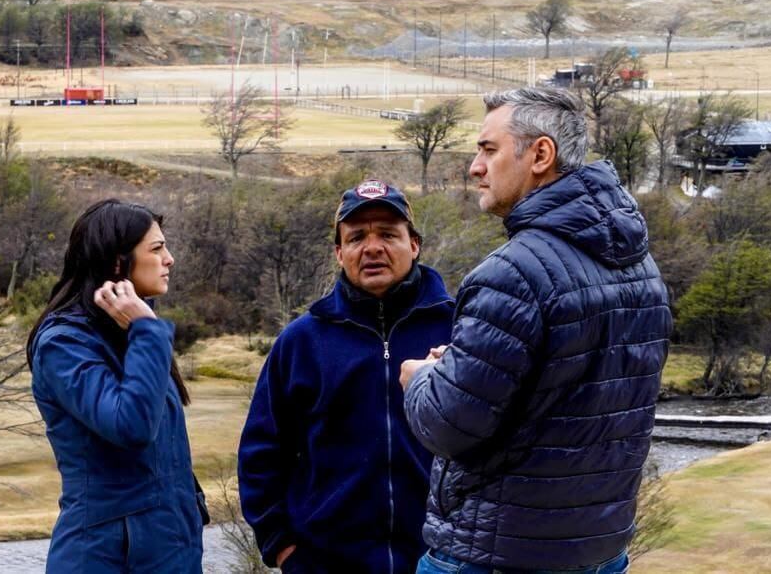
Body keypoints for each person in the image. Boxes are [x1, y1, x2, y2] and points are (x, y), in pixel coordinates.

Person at [401, 88, 672, 574]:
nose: (475, 166)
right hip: (600, 552)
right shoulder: (641, 267)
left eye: (488, 149)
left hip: (497, 554)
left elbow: (448, 424)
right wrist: (462, 369)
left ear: (540, 155)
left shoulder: (514, 273)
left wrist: (421, 378)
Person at [238, 180, 455, 574]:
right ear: (340, 253)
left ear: (414, 245)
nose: (372, 248)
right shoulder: (301, 342)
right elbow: (261, 453)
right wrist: (282, 544)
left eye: (388, 234)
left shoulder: (460, 329)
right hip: (324, 561)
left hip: (441, 559)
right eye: (356, 238)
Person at [26, 199, 205, 573]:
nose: (169, 259)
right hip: (105, 557)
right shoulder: (64, 343)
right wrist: (147, 331)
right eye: (156, 249)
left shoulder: (127, 333)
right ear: (117, 263)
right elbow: (131, 426)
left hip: (167, 550)